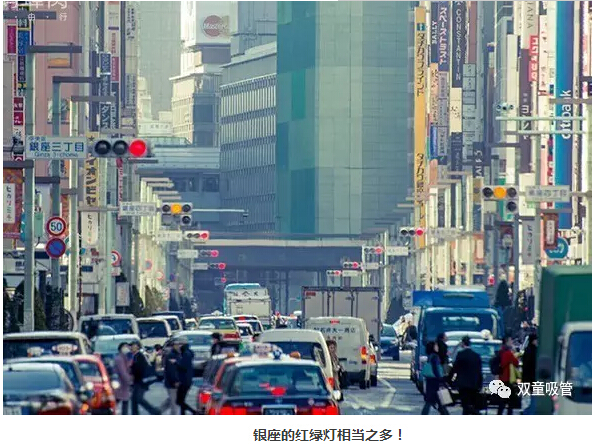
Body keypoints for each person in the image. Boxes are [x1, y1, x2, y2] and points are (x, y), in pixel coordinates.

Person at [448, 336, 483, 414]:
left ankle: (475, 413)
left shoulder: (461, 354)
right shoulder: (476, 356)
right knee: (471, 403)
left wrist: (449, 380)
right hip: (474, 383)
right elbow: (479, 371)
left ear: (463, 343)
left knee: (465, 404)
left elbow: (455, 369)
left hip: (463, 384)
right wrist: (480, 384)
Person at [130, 340, 161, 415]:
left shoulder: (140, 355)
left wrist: (132, 372)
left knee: (138, 398)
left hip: (141, 381)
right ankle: (135, 413)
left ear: (137, 347)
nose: (131, 347)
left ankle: (154, 411)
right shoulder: (136, 356)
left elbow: (140, 368)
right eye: (131, 346)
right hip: (138, 380)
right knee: (134, 398)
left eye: (133, 346)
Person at [421, 341, 450, 415]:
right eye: (436, 346)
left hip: (430, 381)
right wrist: (440, 379)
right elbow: (436, 369)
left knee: (431, 401)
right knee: (439, 400)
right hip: (435, 381)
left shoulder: (430, 356)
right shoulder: (435, 356)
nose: (437, 347)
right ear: (433, 347)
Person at [497, 335, 520, 415]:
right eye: (510, 341)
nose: (512, 342)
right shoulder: (508, 353)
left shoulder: (501, 351)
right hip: (507, 379)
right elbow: (516, 362)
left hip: (502, 378)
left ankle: (500, 413)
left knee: (503, 399)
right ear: (507, 342)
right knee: (509, 400)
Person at [160, 339, 181, 414]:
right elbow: (171, 370)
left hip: (174, 381)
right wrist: (175, 380)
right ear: (173, 346)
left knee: (172, 400)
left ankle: (157, 411)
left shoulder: (177, 354)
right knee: (174, 403)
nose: (178, 346)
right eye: (176, 345)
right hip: (172, 382)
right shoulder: (171, 355)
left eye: (179, 345)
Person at [177, 338, 197, 415]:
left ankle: (193, 412)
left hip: (185, 380)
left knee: (179, 400)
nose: (178, 346)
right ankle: (184, 413)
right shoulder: (186, 353)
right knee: (181, 400)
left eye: (179, 344)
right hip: (186, 379)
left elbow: (183, 366)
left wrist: (175, 363)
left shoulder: (186, 354)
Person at [113, 342, 133, 415]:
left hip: (123, 385)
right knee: (118, 401)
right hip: (120, 384)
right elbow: (123, 372)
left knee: (123, 402)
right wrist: (129, 381)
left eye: (127, 347)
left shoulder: (125, 358)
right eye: (125, 347)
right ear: (120, 349)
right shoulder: (119, 359)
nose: (127, 348)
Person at [522, 333, 538, 415]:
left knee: (527, 400)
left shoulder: (526, 350)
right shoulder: (535, 351)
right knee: (533, 399)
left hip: (526, 379)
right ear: (533, 341)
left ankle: (526, 413)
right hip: (533, 378)